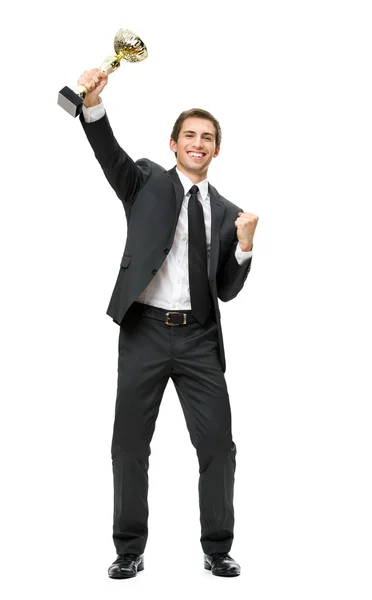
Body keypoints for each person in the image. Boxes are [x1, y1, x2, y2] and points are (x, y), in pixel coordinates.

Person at [77, 68, 259, 579]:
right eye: (190, 136)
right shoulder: (145, 181)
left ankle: (218, 547)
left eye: (207, 138)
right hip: (145, 331)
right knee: (130, 443)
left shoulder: (227, 213)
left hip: (199, 338)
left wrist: (244, 248)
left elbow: (226, 289)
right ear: (174, 144)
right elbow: (107, 153)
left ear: (216, 150)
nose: (198, 144)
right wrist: (92, 105)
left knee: (218, 446)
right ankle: (128, 548)